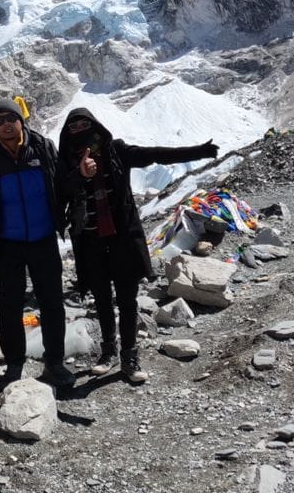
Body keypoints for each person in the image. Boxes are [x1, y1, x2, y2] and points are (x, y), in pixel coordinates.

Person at [57, 107, 218, 384]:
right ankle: (108, 353)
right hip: (90, 243)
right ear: (67, 134)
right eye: (74, 127)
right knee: (103, 300)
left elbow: (154, 154)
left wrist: (199, 151)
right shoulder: (66, 164)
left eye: (85, 124)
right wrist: (81, 175)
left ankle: (129, 356)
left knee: (127, 300)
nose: (80, 130)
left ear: (95, 126)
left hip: (123, 240)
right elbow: (60, 193)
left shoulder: (117, 151)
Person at [0, 99, 75, 388]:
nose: (6, 124)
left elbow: (61, 183)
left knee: (51, 303)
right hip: (7, 243)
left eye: (11, 118)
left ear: (22, 120)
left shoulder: (43, 147)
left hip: (43, 238)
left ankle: (55, 363)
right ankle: (14, 365)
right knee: (9, 305)